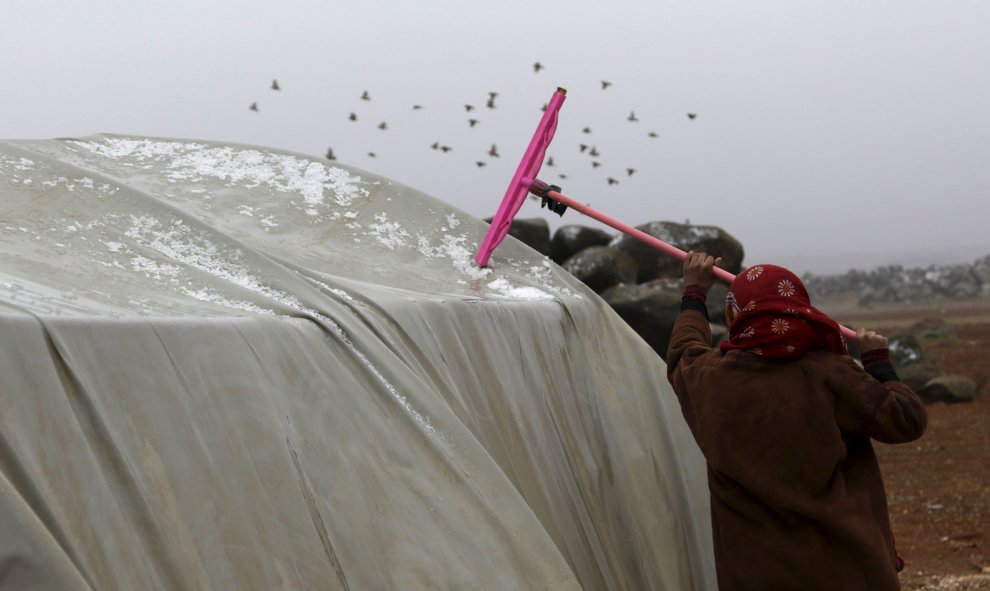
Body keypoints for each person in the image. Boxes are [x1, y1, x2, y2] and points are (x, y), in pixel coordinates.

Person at [667, 252, 927, 591]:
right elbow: (906, 419)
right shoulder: (830, 374)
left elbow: (683, 350)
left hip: (755, 574)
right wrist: (878, 363)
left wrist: (694, 293)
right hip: (845, 569)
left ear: (735, 314)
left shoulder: (709, 378)